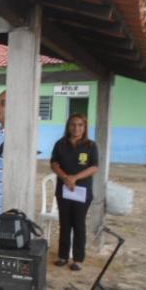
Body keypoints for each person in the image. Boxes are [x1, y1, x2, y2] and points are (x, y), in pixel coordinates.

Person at [50, 113, 99, 271]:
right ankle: (63, 256)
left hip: (82, 191)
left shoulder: (90, 146)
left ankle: (78, 259)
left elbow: (94, 167)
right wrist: (65, 177)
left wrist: (75, 178)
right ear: (68, 126)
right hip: (63, 189)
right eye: (73, 124)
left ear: (84, 127)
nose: (76, 128)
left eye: (80, 125)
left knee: (78, 223)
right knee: (64, 223)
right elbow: (54, 163)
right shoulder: (60, 144)